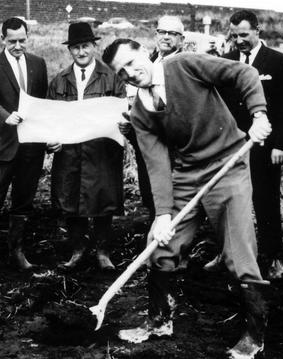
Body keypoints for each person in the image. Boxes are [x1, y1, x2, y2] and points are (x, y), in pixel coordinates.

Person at [103, 38, 272, 358]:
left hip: (228, 165)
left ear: (144, 52)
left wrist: (259, 115)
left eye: (131, 62)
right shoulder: (140, 111)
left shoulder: (185, 65)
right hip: (186, 175)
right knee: (161, 245)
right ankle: (158, 321)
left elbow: (245, 73)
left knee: (239, 253)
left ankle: (254, 335)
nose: (129, 72)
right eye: (121, 71)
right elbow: (157, 165)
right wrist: (163, 214)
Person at [205, 10, 283, 280]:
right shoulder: (226, 60)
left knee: (266, 201)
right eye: (234, 35)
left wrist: (281, 144)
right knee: (228, 202)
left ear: (258, 31)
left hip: (265, 147)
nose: (239, 40)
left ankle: (272, 256)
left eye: (244, 34)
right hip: (232, 147)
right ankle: (226, 253)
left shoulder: (277, 61)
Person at [0, 17, 48, 276]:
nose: (17, 46)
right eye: (12, 41)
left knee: (24, 200)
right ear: (2, 39)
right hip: (3, 144)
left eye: (22, 40)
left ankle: (17, 251)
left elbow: (42, 103)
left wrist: (47, 134)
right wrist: (6, 116)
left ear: (28, 37)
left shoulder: (38, 64)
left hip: (31, 147)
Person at [46, 22, 126, 271]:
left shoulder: (111, 78)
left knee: (103, 199)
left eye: (86, 46)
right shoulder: (59, 80)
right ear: (70, 50)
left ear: (94, 46)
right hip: (69, 153)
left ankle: (103, 252)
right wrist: (51, 139)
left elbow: (123, 114)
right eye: (76, 48)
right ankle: (78, 249)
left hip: (101, 151)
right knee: (71, 199)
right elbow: (50, 116)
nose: (81, 52)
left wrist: (122, 129)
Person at [122, 15, 185, 224]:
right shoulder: (147, 63)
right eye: (162, 32)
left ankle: (176, 253)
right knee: (152, 195)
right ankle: (155, 244)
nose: (166, 37)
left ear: (181, 40)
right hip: (148, 144)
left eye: (172, 34)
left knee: (176, 200)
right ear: (156, 35)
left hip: (175, 146)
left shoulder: (184, 65)